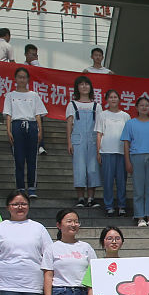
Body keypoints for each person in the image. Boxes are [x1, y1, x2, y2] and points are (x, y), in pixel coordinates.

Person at [3, 67, 48, 198]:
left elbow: (38, 114)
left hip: (32, 126)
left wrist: (40, 130)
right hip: (17, 126)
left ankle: (32, 188)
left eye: (24, 77)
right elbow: (8, 115)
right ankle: (20, 188)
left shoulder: (34, 95)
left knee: (32, 159)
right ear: (15, 79)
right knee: (19, 159)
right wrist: (8, 131)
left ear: (28, 79)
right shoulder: (10, 95)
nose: (22, 80)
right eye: (20, 77)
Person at [121, 96, 149, 227]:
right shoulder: (130, 124)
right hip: (136, 157)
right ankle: (140, 217)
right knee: (138, 189)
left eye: (146, 105)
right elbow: (126, 143)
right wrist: (127, 161)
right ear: (137, 107)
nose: (144, 107)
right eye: (141, 105)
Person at [67, 76, 101, 208]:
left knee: (93, 169)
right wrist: (69, 142)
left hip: (93, 140)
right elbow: (69, 124)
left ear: (91, 87)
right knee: (79, 168)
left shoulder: (96, 106)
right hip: (78, 139)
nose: (84, 86)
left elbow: (100, 126)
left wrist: (100, 145)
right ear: (77, 88)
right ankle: (81, 198)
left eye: (87, 84)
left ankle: (91, 198)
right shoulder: (72, 105)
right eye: (81, 84)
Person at [95, 89, 130, 217]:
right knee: (108, 181)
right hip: (106, 152)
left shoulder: (125, 116)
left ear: (119, 99)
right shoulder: (102, 115)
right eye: (111, 97)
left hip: (122, 152)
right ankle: (109, 206)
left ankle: (121, 206)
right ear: (107, 100)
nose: (113, 99)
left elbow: (129, 136)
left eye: (115, 97)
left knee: (121, 181)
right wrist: (98, 152)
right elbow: (99, 134)